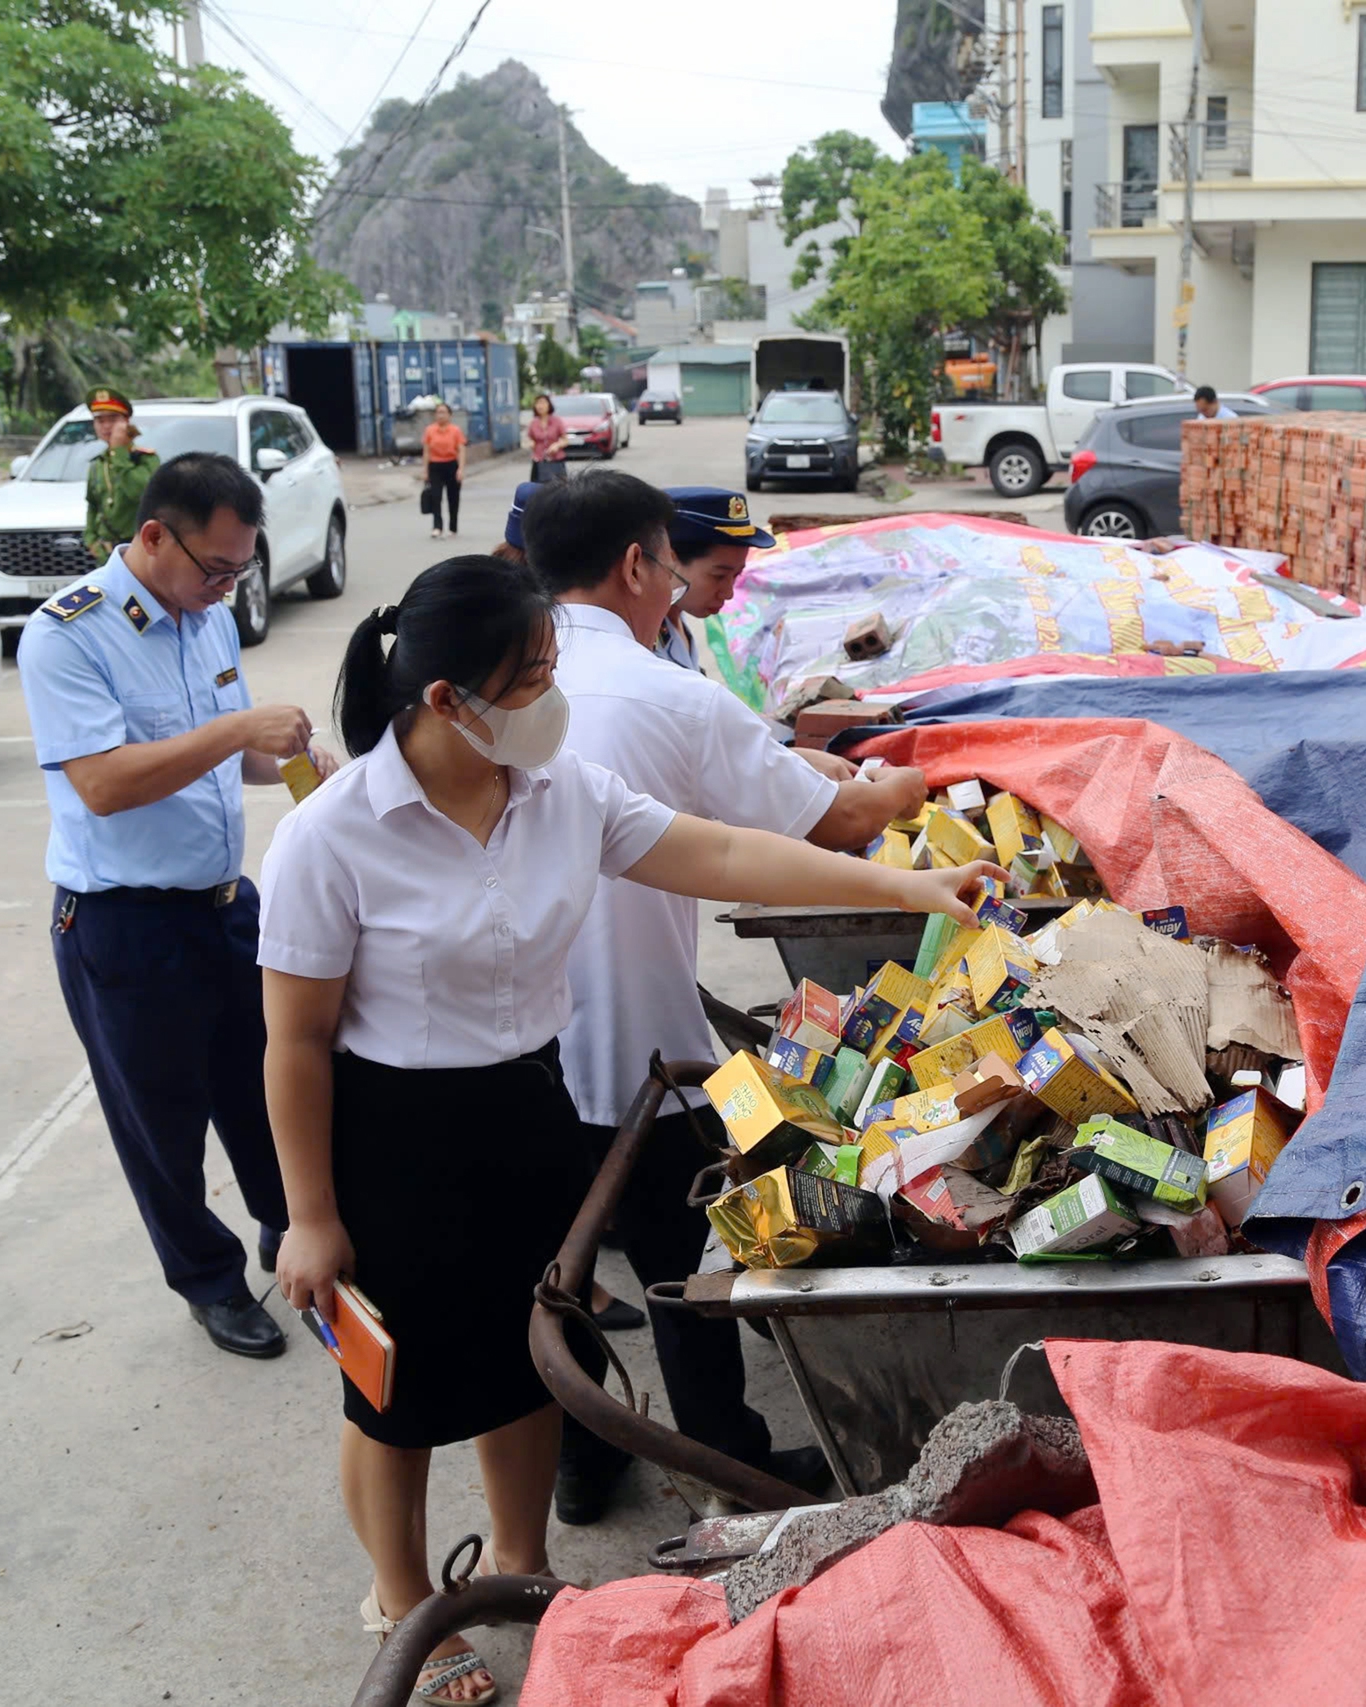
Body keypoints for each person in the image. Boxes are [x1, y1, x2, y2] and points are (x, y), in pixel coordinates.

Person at [259, 557, 992, 1705]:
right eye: (534, 676)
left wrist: (907, 892)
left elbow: (725, 851)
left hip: (527, 1108)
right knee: (395, 1393)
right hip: (390, 1138)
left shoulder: (564, 792)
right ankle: (406, 1603)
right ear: (448, 698)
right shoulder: (334, 835)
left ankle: (519, 1569)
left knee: (530, 1363)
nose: (557, 695)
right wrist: (308, 1215)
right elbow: (294, 1043)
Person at [533, 472, 931, 1523]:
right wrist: (900, 783)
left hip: (510, 1042)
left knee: (553, 1260)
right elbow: (832, 832)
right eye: (674, 564)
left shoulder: (509, 674)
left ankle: (582, 1461)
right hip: (633, 1037)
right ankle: (721, 1454)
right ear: (635, 566)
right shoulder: (665, 691)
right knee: (680, 1259)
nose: (679, 585)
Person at [19, 452, 336, 1358]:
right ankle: (208, 1279)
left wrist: (306, 768)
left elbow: (227, 758)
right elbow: (105, 783)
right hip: (124, 923)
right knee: (160, 1119)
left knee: (264, 1083)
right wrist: (240, 728)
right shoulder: (68, 635)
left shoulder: (208, 617)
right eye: (216, 569)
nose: (228, 586)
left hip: (228, 903)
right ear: (154, 536)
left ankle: (291, 1231)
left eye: (240, 568)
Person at [647, 485, 770, 673]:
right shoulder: (641, 639)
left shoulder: (675, 618)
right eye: (718, 576)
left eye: (736, 575)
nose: (728, 593)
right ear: (669, 559)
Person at [81, 388, 159, 563]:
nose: (106, 426)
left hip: (139, 552)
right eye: (100, 420)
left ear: (127, 422)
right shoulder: (98, 464)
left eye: (113, 419)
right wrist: (91, 540)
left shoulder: (144, 460)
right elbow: (93, 505)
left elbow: (138, 493)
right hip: (106, 555)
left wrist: (119, 452)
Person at [421, 402, 467, 540]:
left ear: (449, 415)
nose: (440, 415)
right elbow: (426, 452)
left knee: (453, 498)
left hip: (451, 465)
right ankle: (437, 527)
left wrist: (461, 469)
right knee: (436, 497)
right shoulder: (430, 430)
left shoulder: (455, 430)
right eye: (438, 412)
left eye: (443, 412)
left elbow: (461, 450)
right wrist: (425, 471)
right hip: (435, 466)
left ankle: (453, 527)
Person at [524, 392, 567, 485]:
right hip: (539, 461)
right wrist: (531, 443)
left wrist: (557, 445)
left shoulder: (557, 421)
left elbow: (565, 440)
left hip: (556, 460)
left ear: (549, 405)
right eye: (538, 403)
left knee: (558, 488)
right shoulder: (533, 423)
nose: (540, 406)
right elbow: (530, 439)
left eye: (543, 403)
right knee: (537, 489)